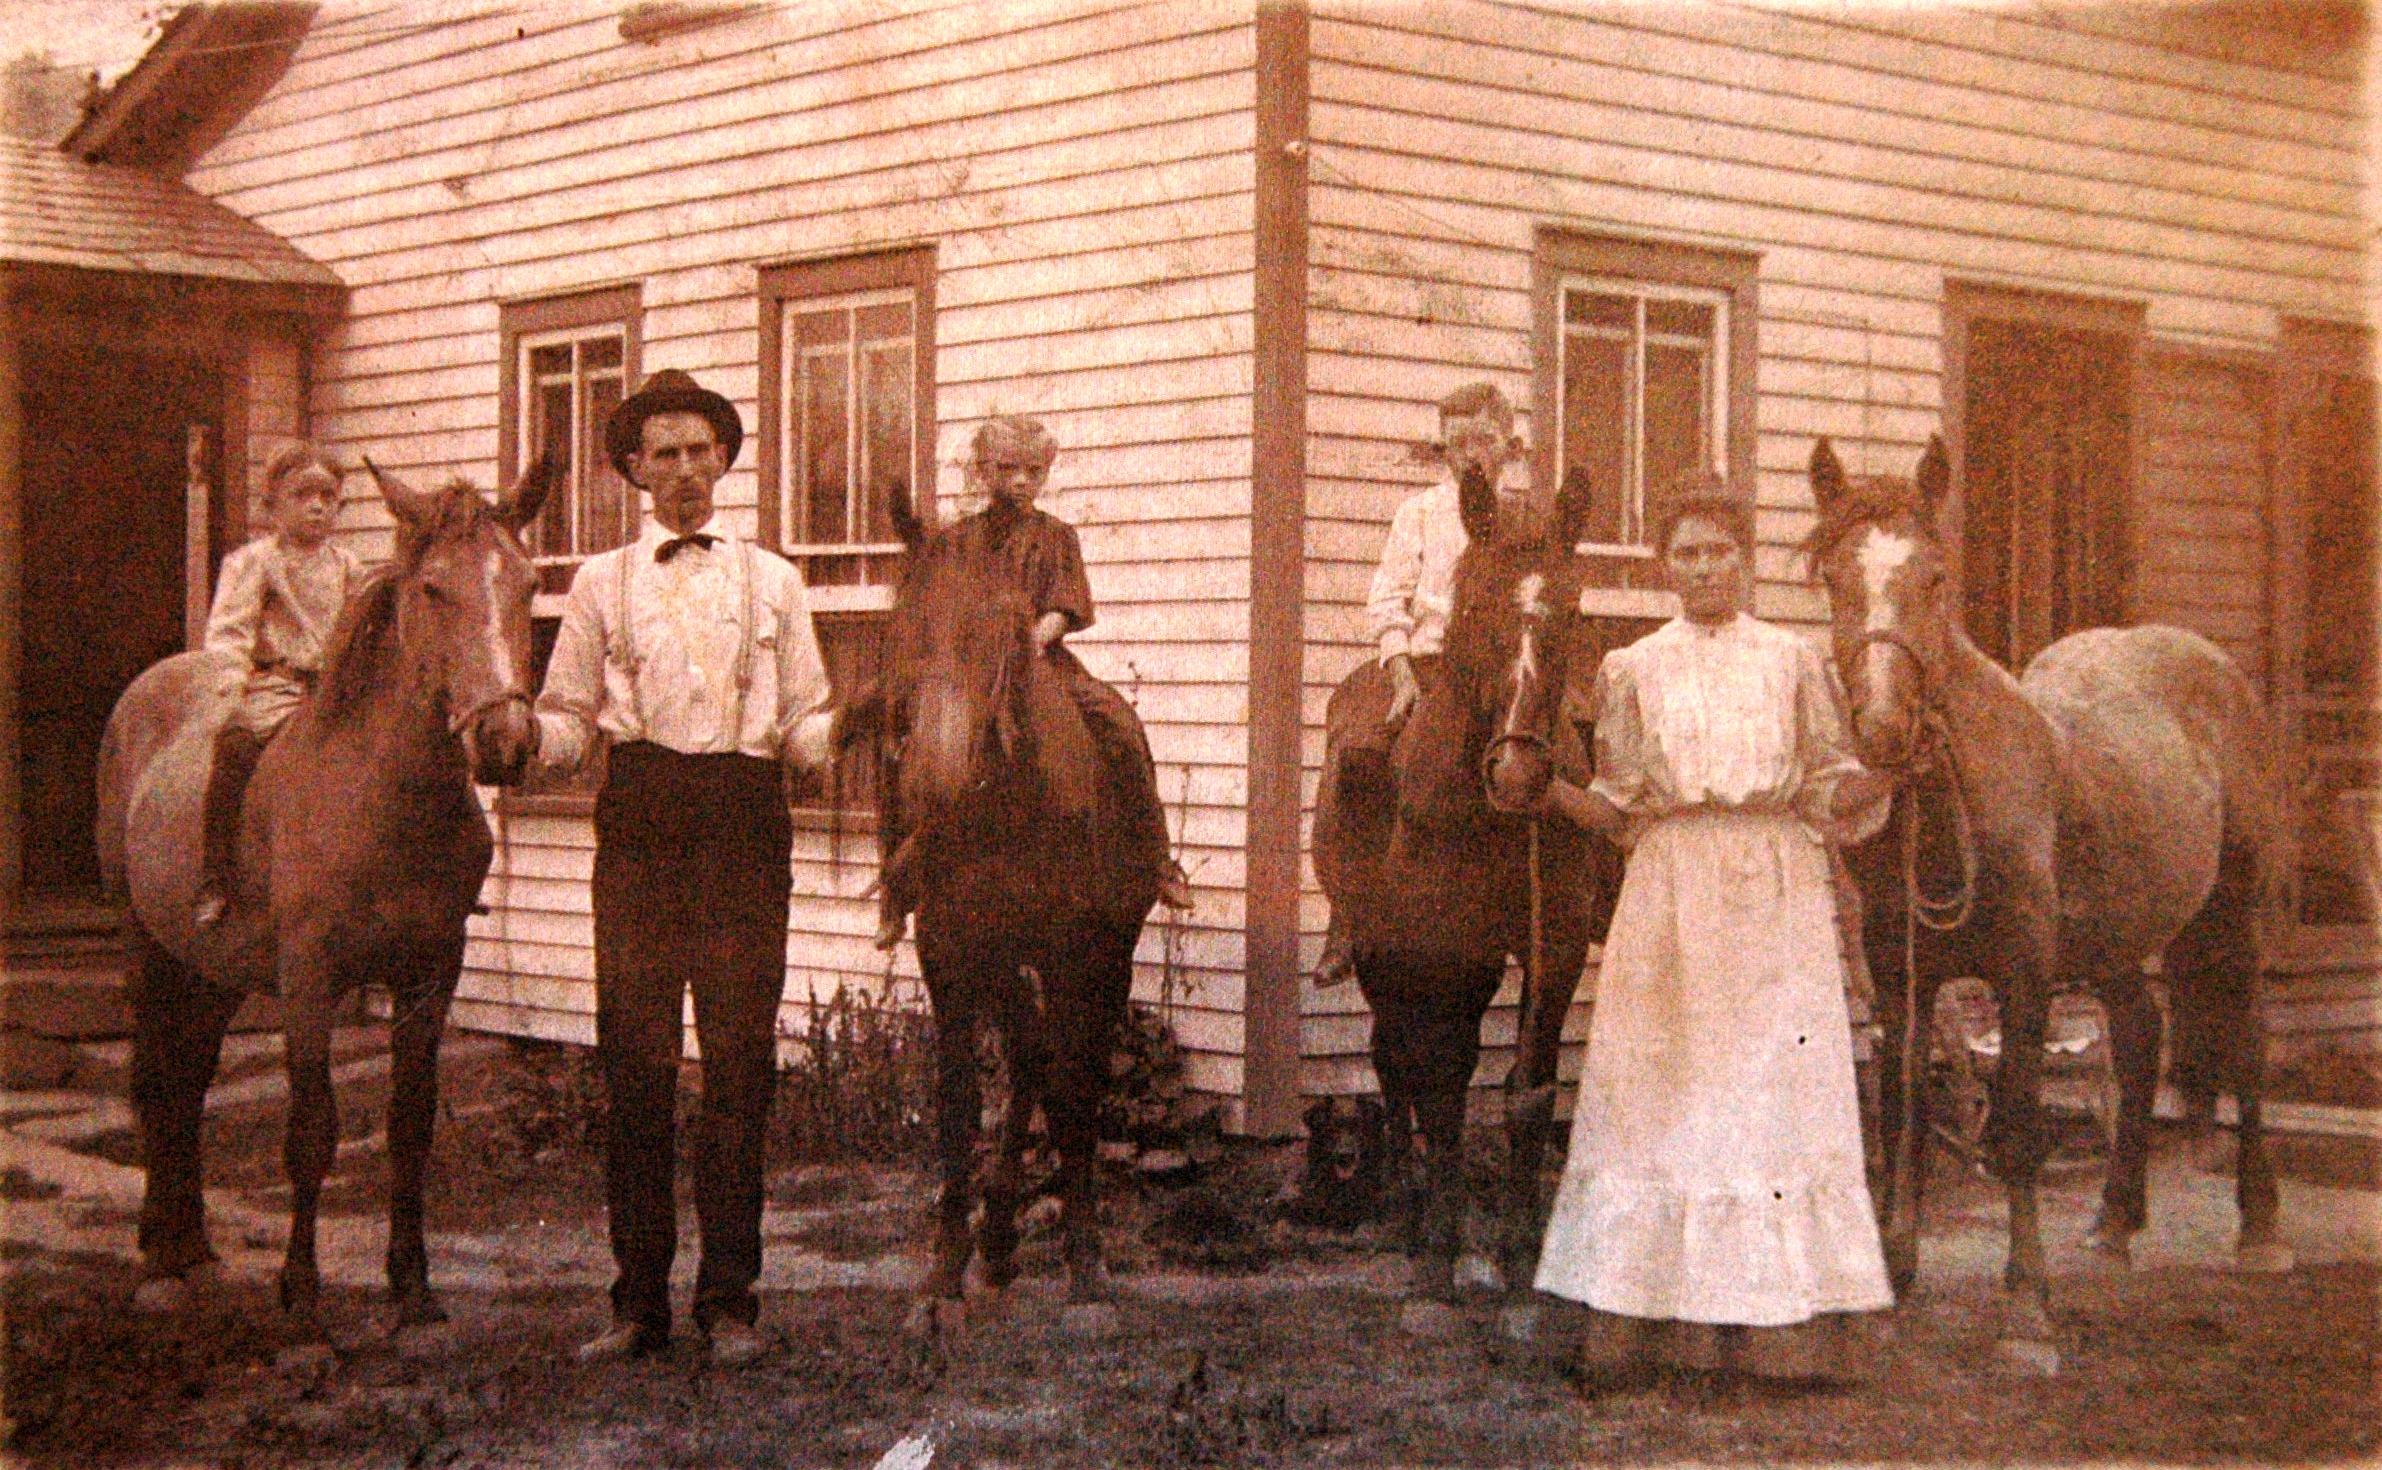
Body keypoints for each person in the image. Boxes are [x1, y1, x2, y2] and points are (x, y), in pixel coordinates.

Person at [1530, 481, 1897, 1385]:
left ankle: (1783, 1335)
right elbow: (1620, 806)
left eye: (1719, 551)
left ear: (1745, 557)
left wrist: (1881, 773)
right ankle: (1649, 1326)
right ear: (1665, 566)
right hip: (1669, 893)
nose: (1703, 568)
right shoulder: (1633, 668)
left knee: (1769, 1098)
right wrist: (1545, 794)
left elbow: (1827, 782)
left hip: (1774, 891)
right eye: (1685, 553)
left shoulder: (1794, 660)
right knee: (1667, 1096)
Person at [532, 369, 837, 1369]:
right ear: (632, 469)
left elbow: (803, 721)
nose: (685, 471)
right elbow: (571, 720)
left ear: (725, 460)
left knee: (741, 1068)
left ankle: (730, 1302)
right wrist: (522, 742)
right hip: (644, 821)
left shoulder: (775, 581)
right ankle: (636, 1306)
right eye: (663, 453)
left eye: (701, 450)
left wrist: (840, 740)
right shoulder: (598, 582)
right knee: (637, 1066)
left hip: (745, 822)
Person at [872, 414, 1193, 952]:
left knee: (1117, 720)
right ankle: (895, 889)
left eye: (1033, 471)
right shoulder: (956, 541)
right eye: (1008, 469)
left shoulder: (1056, 537)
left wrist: (1025, 642)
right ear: (983, 471)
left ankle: (1155, 857)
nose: (1022, 481)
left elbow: (1063, 609)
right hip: (966, 672)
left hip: (1038, 662)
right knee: (898, 742)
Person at [1311, 382, 1523, 983]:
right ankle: (1347, 914)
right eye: (1457, 445)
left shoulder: (1521, 515)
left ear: (1508, 445)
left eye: (1483, 441)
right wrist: (1402, 672)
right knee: (1359, 753)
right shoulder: (1421, 513)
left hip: (1507, 665)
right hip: (1429, 661)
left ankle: (1574, 903)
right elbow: (1388, 599)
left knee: (1564, 741)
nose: (1471, 456)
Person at [194, 444, 365, 931]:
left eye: (328, 497)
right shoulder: (255, 563)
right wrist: (231, 689)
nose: (316, 506)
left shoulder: (349, 567)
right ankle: (217, 875)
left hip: (336, 693)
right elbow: (230, 635)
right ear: (274, 504)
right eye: (302, 495)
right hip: (278, 689)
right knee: (236, 751)